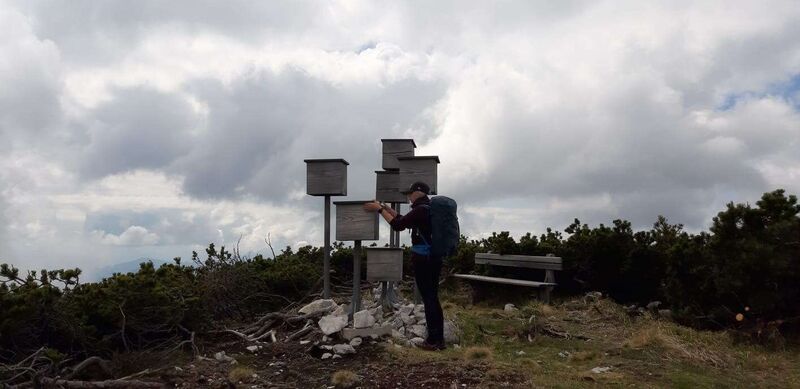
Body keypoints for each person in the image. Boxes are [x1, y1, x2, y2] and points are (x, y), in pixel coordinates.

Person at [363, 181, 445, 351]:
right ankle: (438, 339)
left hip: (424, 259)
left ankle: (434, 341)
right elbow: (402, 219)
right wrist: (386, 208)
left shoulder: (421, 210)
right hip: (434, 257)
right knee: (432, 297)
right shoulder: (426, 209)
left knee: (429, 298)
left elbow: (398, 226)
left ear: (418, 192)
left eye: (410, 193)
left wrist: (379, 210)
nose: (408, 195)